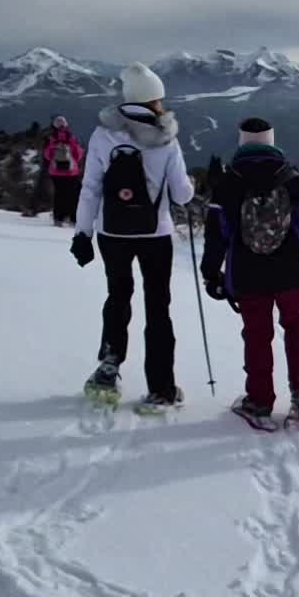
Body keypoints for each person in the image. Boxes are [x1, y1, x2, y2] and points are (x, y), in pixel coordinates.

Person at [71, 62, 195, 412]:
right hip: (155, 235)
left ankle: (109, 369)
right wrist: (191, 187)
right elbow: (182, 195)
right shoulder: (167, 137)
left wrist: (83, 232)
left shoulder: (102, 135)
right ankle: (161, 388)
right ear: (155, 99)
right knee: (158, 308)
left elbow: (91, 187)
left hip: (113, 233)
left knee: (117, 297)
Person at [200, 117, 299, 431]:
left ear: (242, 142)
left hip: (247, 274)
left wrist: (210, 273)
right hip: (293, 272)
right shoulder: (291, 178)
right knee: (297, 327)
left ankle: (259, 402)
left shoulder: (228, 183)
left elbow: (215, 235)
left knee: (257, 335)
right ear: (272, 141)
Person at [40, 115, 84, 227]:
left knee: (59, 194)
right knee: (73, 195)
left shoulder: (51, 138)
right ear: (66, 125)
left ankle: (58, 218)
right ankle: (73, 218)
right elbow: (78, 154)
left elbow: (47, 155)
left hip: (55, 172)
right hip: (71, 172)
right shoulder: (71, 137)